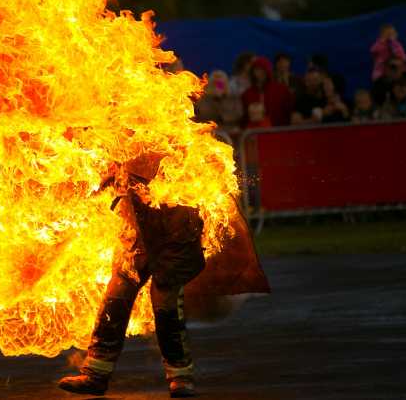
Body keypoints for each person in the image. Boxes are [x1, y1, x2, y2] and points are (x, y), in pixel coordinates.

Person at [58, 155, 269, 398]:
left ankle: (180, 377)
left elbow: (183, 188)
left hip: (174, 235)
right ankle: (95, 374)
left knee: (166, 308)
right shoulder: (126, 141)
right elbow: (110, 179)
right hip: (136, 234)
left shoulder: (175, 147)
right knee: (115, 301)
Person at [241, 56, 294, 127]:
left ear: (268, 71)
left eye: (263, 70)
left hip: (279, 132)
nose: (260, 73)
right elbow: (244, 118)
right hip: (254, 134)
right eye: (257, 70)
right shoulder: (247, 94)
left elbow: (290, 112)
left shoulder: (281, 90)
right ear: (252, 72)